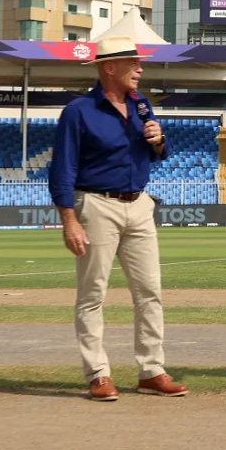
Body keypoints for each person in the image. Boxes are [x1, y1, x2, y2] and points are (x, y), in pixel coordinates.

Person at [48, 36, 187, 401]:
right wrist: (69, 219)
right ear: (110, 67)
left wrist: (158, 141)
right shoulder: (79, 111)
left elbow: (157, 154)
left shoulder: (142, 105)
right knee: (93, 294)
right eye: (133, 63)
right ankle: (97, 374)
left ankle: (151, 371)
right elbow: (62, 169)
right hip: (95, 205)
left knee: (150, 292)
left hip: (139, 204)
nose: (140, 69)